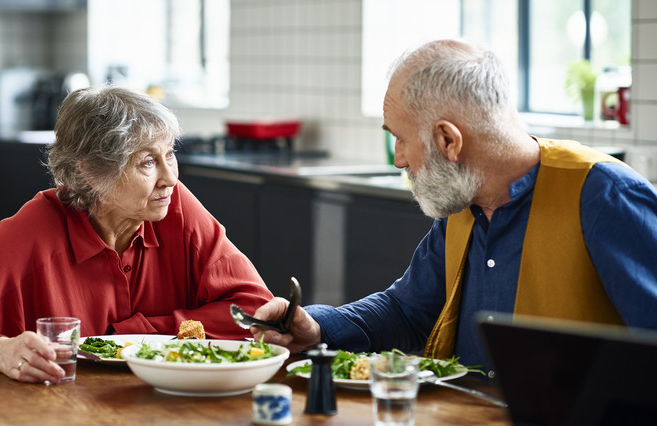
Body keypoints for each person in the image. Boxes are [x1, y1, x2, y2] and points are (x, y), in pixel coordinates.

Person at [0, 85, 273, 426]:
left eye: (170, 154)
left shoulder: (174, 206)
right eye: (147, 162)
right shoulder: (33, 230)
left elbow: (255, 309)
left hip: (141, 421)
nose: (170, 178)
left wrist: (134, 337)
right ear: (91, 172)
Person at [251, 38, 657, 375]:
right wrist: (317, 327)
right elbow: (406, 311)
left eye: (401, 139)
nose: (399, 159)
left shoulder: (605, 196)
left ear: (448, 140)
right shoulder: (464, 197)